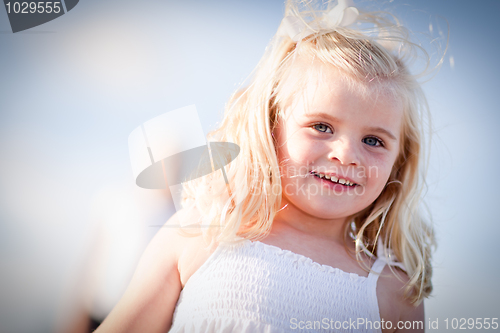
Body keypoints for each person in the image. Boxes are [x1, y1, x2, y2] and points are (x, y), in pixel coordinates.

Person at [96, 0, 438, 332]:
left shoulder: (393, 293)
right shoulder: (205, 232)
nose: (346, 155)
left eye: (374, 141)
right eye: (321, 127)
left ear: (398, 162)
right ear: (269, 126)